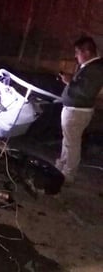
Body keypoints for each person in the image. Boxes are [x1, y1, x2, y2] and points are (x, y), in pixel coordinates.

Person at [55, 36, 103, 183]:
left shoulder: (95, 68)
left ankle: (68, 174)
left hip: (77, 111)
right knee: (68, 141)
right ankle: (62, 165)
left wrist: (69, 81)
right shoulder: (90, 67)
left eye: (77, 52)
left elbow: (86, 91)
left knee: (72, 143)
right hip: (75, 110)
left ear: (87, 52)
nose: (75, 56)